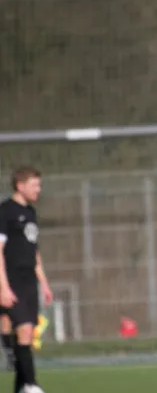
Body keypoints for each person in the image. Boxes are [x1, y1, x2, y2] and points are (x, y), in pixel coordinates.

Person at [0, 166, 53, 393]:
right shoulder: (5, 211)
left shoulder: (31, 213)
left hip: (29, 280)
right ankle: (32, 385)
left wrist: (44, 282)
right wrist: (3, 287)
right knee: (23, 331)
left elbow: (34, 251)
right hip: (11, 280)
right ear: (20, 185)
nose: (38, 190)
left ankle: (21, 387)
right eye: (35, 185)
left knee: (28, 335)